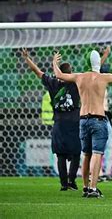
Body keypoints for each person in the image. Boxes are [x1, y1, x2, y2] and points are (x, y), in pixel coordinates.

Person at [52, 50, 112, 198]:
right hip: (98, 119)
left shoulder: (79, 77)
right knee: (97, 154)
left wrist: (54, 62)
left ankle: (85, 187)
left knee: (86, 155)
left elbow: (59, 75)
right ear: (98, 63)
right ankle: (93, 188)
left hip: (83, 120)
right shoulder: (104, 77)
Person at [22, 48, 81, 191]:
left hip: (59, 123)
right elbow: (94, 74)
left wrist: (27, 58)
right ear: (70, 73)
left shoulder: (52, 83)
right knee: (76, 153)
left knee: (60, 155)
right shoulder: (76, 82)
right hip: (74, 122)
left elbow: (37, 71)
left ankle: (63, 184)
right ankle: (72, 181)